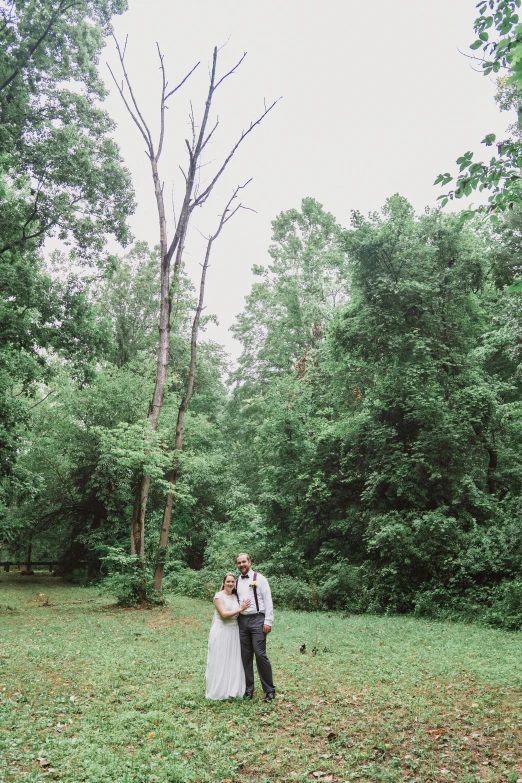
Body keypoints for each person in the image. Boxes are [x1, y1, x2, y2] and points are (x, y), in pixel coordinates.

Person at [235, 552, 276, 701]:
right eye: (239, 563)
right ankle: (248, 689)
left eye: (244, 562)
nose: (242, 565)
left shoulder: (260, 579)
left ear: (249, 562)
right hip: (242, 621)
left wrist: (268, 621)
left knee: (260, 654)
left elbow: (268, 600)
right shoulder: (236, 581)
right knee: (245, 656)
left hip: (258, 619)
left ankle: (269, 689)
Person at [205, 572, 251, 700]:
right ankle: (219, 690)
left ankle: (233, 689)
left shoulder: (236, 596)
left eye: (232, 581)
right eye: (228, 581)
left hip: (234, 631)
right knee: (221, 659)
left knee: (233, 659)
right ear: (223, 582)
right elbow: (224, 614)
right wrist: (241, 609)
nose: (230, 583)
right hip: (222, 631)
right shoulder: (218, 597)